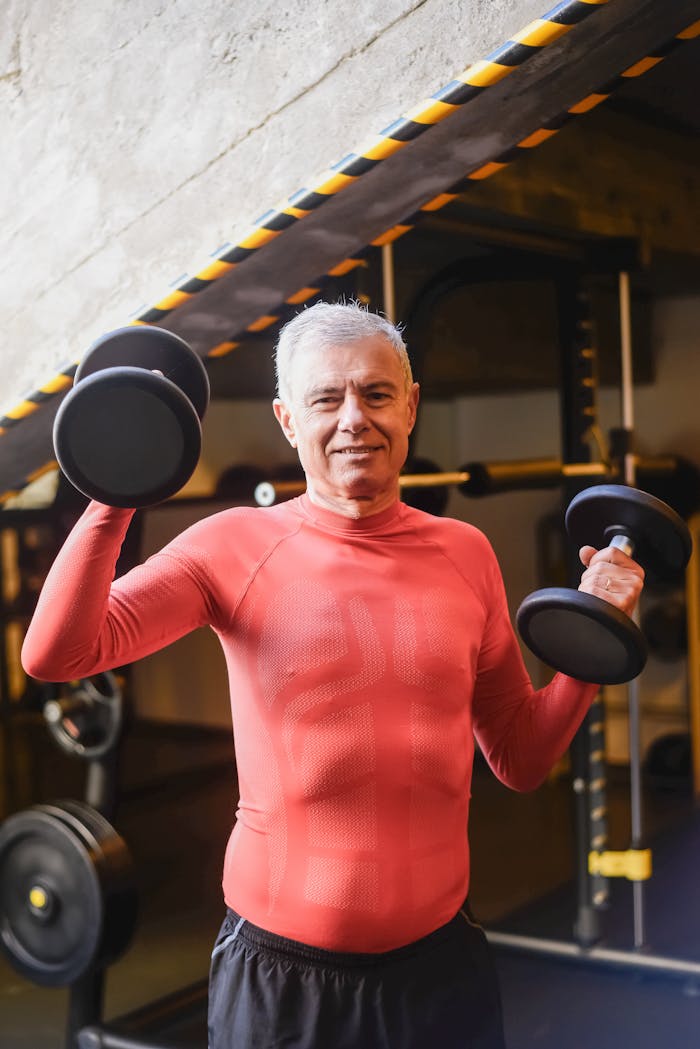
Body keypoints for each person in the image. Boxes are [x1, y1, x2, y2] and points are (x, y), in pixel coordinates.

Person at [22, 301, 645, 1049]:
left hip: (441, 972)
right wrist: (113, 488)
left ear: (409, 406)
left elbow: (520, 756)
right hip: (284, 984)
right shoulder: (231, 547)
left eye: (377, 393)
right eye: (327, 398)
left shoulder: (466, 552)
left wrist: (593, 637)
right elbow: (56, 653)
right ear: (288, 419)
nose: (355, 418)